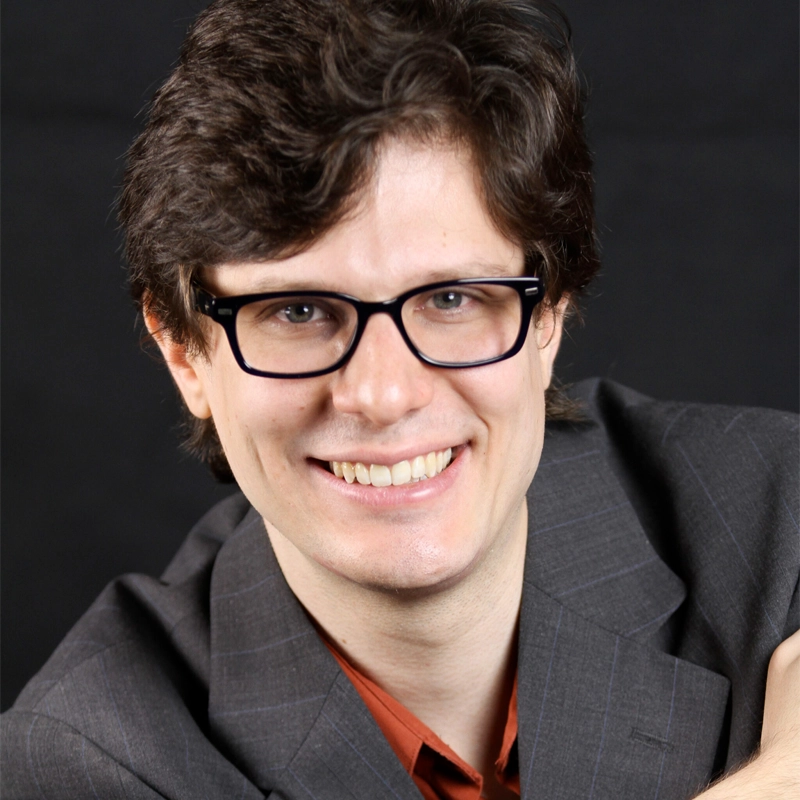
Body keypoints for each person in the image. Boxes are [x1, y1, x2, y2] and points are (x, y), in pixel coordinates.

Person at [2, 1, 798, 798]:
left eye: (451, 300)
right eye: (298, 312)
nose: (382, 394)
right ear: (185, 353)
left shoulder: (774, 517)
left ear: (548, 314)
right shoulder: (86, 761)